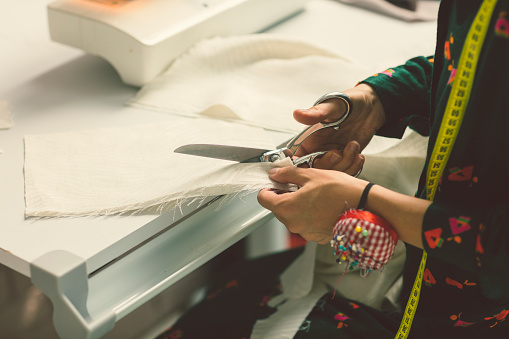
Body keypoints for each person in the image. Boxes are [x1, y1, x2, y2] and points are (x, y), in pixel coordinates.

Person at [157, 0, 509, 338]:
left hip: (475, 319)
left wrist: (365, 201)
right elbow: (474, 63)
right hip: (428, 284)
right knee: (237, 288)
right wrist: (379, 100)